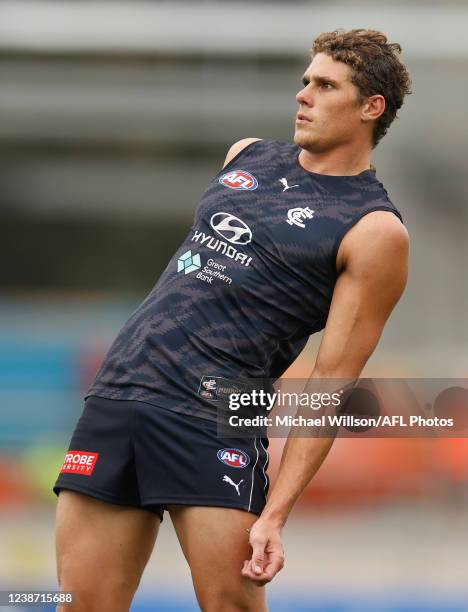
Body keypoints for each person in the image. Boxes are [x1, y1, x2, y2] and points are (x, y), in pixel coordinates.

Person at [53, 28, 411, 611]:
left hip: (211, 419)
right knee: (79, 604)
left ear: (371, 108)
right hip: (119, 396)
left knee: (230, 606)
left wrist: (277, 512)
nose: (304, 95)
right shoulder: (247, 154)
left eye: (325, 85)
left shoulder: (374, 229)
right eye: (305, 82)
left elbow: (330, 382)